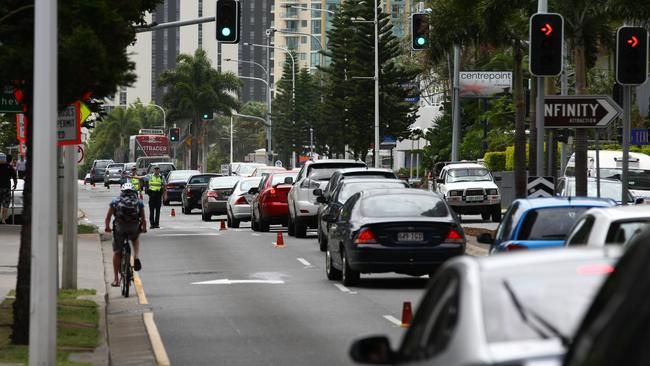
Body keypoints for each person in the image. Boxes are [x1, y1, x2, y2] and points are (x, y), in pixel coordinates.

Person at [104, 182, 146, 287]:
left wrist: (107, 228)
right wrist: (144, 229)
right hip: (133, 227)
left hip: (120, 228)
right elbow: (143, 219)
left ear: (122, 192)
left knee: (117, 252)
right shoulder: (139, 202)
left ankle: (116, 280)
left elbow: (108, 218)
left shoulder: (115, 201)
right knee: (135, 238)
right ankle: (136, 257)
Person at [0, 153, 18, 224]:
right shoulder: (10, 167)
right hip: (7, 188)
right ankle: (3, 219)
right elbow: (14, 177)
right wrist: (15, 185)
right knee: (5, 204)